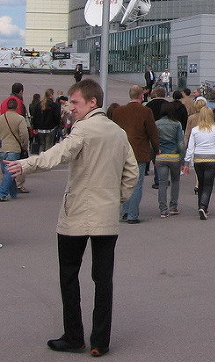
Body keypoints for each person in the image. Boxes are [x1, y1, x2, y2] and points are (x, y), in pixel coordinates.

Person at [4, 79, 138, 356]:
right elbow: (131, 173)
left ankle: (74, 336)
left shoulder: (83, 130)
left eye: (75, 103)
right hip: (106, 216)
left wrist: (25, 164)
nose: (70, 108)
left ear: (92, 102)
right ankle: (100, 341)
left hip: (75, 214)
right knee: (103, 280)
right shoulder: (117, 132)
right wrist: (117, 199)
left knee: (69, 276)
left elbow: (59, 154)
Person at [111, 85, 160, 224]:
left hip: (121, 152)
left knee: (123, 182)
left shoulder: (118, 111)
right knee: (136, 184)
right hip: (139, 152)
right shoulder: (145, 111)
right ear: (141, 96)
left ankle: (125, 211)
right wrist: (156, 150)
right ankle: (133, 214)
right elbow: (152, 133)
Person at [183, 106, 215, 219]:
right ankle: (203, 206)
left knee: (201, 184)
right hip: (211, 159)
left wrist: (186, 162)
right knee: (208, 185)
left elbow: (190, 147)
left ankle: (201, 207)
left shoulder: (195, 130)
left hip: (198, 159)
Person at [154, 102, 185, 218]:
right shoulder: (177, 124)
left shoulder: (157, 124)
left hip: (161, 156)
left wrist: (155, 152)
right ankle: (173, 206)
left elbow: (153, 142)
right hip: (174, 156)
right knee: (175, 181)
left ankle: (163, 209)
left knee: (162, 183)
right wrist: (182, 158)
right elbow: (180, 143)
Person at [0, 98, 29, 201]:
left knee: (7, 172)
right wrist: (24, 146)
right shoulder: (20, 119)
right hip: (14, 148)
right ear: (17, 107)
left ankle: (13, 192)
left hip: (2, 148)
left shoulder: (1, 118)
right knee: (11, 172)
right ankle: (2, 193)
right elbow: (24, 134)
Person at [32, 88, 62, 154]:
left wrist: (35, 127)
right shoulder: (54, 105)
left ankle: (40, 160)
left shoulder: (39, 104)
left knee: (41, 145)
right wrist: (58, 125)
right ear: (51, 95)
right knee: (49, 145)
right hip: (50, 129)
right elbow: (57, 117)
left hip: (40, 129)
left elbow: (35, 116)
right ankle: (47, 162)